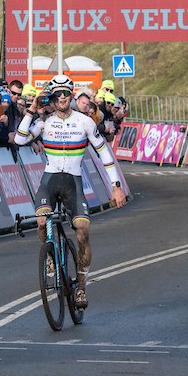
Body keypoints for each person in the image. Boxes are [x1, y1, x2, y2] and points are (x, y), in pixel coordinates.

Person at [14, 74, 126, 310]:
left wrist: (116, 187)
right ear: (53, 98)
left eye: (66, 93)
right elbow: (20, 139)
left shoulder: (85, 122)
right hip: (50, 180)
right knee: (43, 222)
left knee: (83, 230)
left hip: (73, 183)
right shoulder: (45, 122)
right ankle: (50, 258)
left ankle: (82, 287)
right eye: (58, 94)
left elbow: (104, 154)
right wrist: (31, 110)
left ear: (71, 95)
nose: (62, 97)